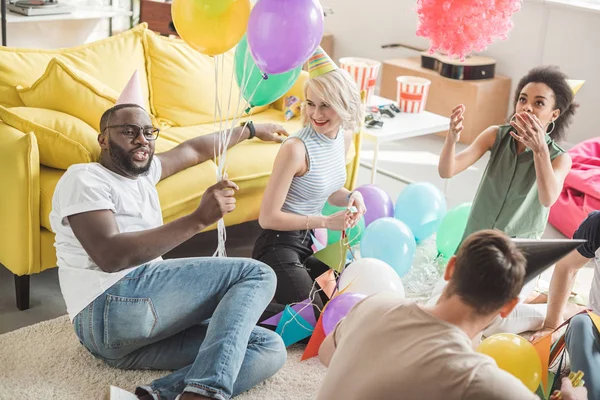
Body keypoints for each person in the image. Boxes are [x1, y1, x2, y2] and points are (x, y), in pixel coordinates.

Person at [50, 83, 291, 399]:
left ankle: (157, 395)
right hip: (110, 304)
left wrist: (250, 129)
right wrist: (198, 219)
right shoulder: (84, 178)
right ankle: (206, 392)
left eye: (150, 133)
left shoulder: (145, 175)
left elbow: (193, 150)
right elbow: (110, 256)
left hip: (120, 346)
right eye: (129, 131)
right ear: (103, 139)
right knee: (256, 274)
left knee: (268, 345)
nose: (142, 140)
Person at [316, 230, 587, 400]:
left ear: (450, 269)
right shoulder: (476, 379)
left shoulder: (374, 303)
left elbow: (326, 353)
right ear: (508, 306)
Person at [436, 65, 579, 335]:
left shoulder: (560, 157)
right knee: (442, 306)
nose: (527, 107)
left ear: (554, 114)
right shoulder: (495, 135)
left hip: (517, 259)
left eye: (539, 103)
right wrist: (452, 139)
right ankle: (534, 294)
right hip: (475, 249)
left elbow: (548, 198)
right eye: (522, 99)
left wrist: (539, 151)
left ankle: (557, 309)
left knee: (490, 322)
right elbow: (448, 170)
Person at [252, 47, 365, 321]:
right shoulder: (295, 148)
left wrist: (352, 196)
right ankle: (238, 302)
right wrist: (325, 223)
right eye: (311, 103)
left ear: (344, 104)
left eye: (325, 104)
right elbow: (268, 218)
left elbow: (328, 189)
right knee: (311, 318)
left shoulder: (343, 138)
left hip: (306, 246)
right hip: (278, 246)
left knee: (350, 286)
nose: (316, 113)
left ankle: (284, 287)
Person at [531, 210, 600, 399]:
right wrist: (551, 325)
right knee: (580, 323)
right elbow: (567, 267)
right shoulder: (597, 224)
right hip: (594, 326)